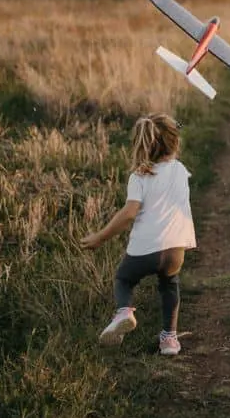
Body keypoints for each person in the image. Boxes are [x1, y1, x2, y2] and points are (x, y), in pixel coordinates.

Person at [81, 113, 196, 356]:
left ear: (142, 144)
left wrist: (100, 237)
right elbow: (174, 134)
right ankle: (169, 340)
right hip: (175, 250)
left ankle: (124, 312)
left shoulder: (140, 176)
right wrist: (176, 126)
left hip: (145, 249)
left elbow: (129, 212)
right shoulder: (181, 170)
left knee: (124, 278)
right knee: (169, 284)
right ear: (175, 143)